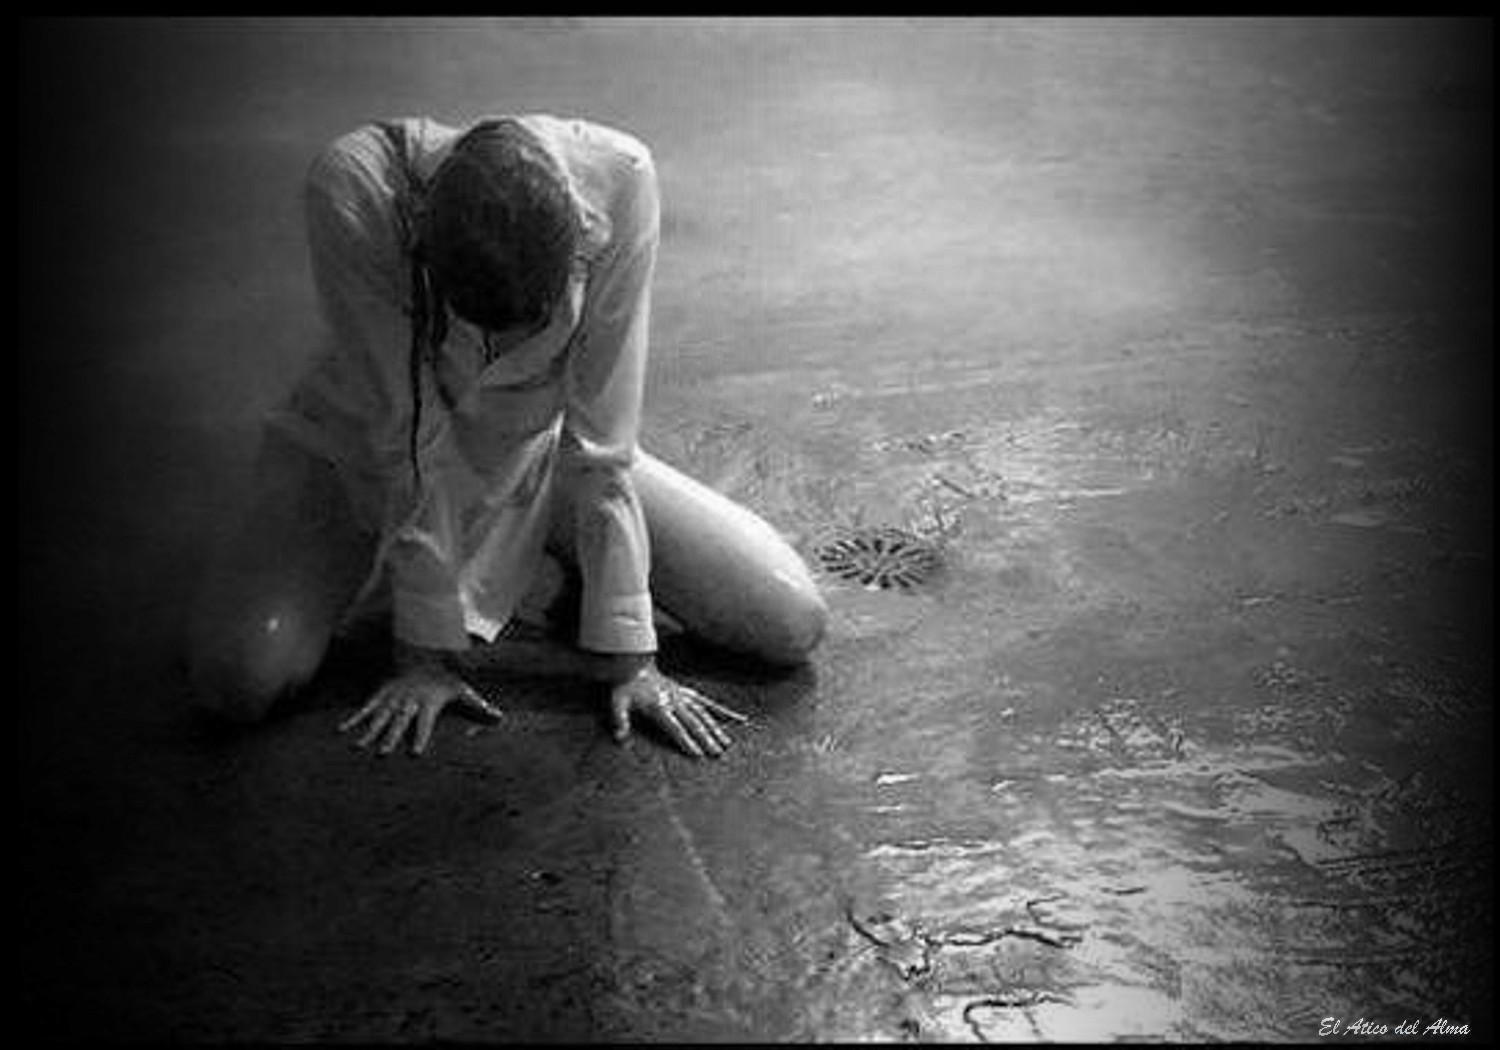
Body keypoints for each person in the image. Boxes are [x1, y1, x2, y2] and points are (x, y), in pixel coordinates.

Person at [186, 114, 828, 760]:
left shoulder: (622, 179)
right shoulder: (355, 184)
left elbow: (603, 447)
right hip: (363, 459)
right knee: (238, 679)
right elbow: (407, 436)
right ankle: (401, 567)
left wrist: (630, 659)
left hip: (539, 456)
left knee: (788, 621)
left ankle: (557, 553)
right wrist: (422, 654)